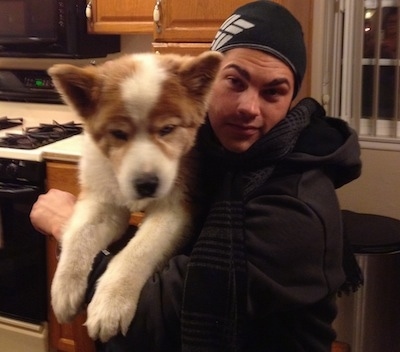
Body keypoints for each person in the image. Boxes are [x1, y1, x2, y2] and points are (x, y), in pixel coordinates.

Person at [30, 1, 362, 351]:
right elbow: (115, 202)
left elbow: (162, 318)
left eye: (273, 92)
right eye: (235, 81)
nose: (249, 108)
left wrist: (65, 228)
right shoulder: (210, 144)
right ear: (209, 84)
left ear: (292, 99)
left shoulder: (295, 206)